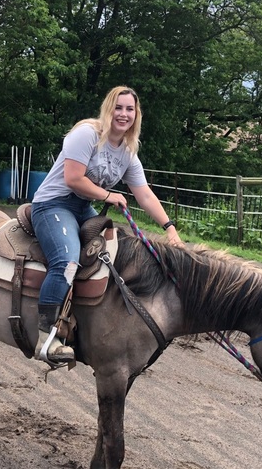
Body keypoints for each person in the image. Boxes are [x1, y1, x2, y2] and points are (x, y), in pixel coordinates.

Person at [30, 85, 183, 365]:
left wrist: (170, 228)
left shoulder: (128, 151)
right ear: (108, 109)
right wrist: (107, 195)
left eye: (129, 109)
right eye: (118, 107)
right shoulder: (87, 134)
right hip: (53, 204)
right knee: (66, 260)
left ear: (136, 115)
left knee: (118, 255)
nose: (123, 114)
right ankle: (46, 338)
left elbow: (145, 194)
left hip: (82, 208)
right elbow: (73, 178)